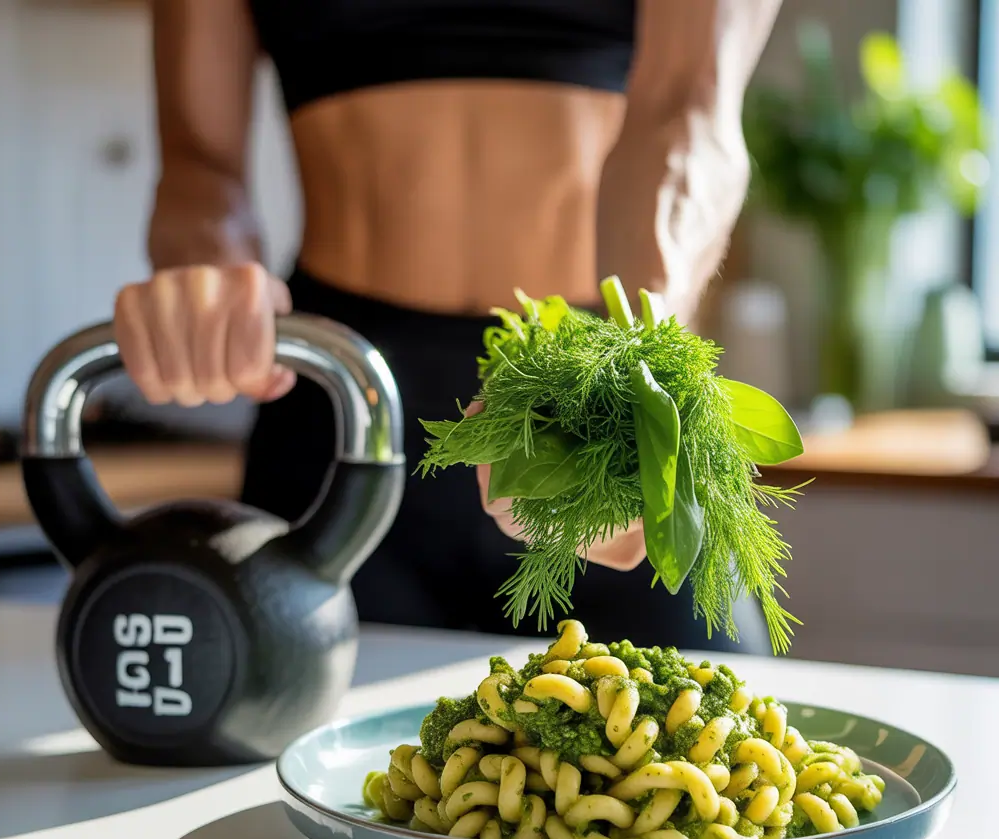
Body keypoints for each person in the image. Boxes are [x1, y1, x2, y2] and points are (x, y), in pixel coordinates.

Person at [114, 0, 782, 650]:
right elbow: (198, 163)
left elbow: (689, 113)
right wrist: (208, 274)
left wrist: (638, 358)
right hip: (344, 409)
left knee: (714, 719)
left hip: (593, 402)